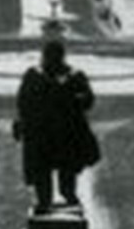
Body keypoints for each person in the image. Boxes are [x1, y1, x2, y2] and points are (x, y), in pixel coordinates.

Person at [14, 40, 99, 213]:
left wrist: (75, 100)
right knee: (48, 176)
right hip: (52, 137)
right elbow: (23, 104)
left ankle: (61, 200)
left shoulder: (71, 76)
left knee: (61, 176)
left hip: (57, 137)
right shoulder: (35, 76)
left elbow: (88, 100)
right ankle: (51, 201)